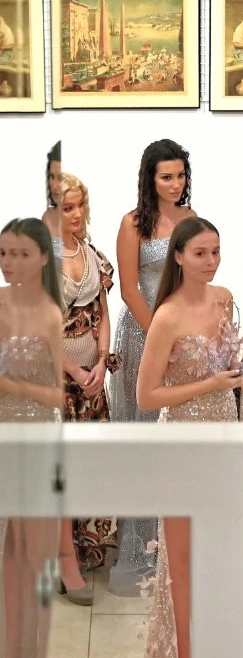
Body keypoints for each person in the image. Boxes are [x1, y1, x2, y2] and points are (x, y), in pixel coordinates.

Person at [134, 217, 243, 658]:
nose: (211, 261)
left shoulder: (224, 299)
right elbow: (146, 396)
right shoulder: (167, 316)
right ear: (178, 256)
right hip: (182, 444)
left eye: (216, 251)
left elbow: (231, 363)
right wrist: (210, 384)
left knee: (219, 558)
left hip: (224, 437)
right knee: (181, 566)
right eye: (200, 253)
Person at [106, 139, 196, 597]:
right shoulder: (132, 223)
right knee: (142, 439)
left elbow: (195, 277)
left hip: (182, 337)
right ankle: (139, 551)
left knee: (174, 442)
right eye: (167, 177)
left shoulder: (191, 218)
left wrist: (188, 334)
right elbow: (128, 290)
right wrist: (161, 336)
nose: (175, 184)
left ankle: (172, 550)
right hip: (142, 337)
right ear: (150, 179)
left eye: (180, 175)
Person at [0, 218, 65, 658]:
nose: (10, 263)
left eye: (21, 253)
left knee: (31, 558)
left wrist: (11, 386)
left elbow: (61, 396)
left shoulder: (51, 315)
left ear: (43, 257)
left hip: (37, 440)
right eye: (4, 253)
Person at [54, 173, 118, 599]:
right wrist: (75, 372)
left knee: (90, 464)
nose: (76, 214)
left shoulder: (92, 254)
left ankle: (85, 547)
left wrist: (100, 363)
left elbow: (103, 313)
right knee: (59, 468)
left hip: (91, 381)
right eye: (67, 208)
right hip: (56, 380)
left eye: (80, 206)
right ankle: (61, 558)